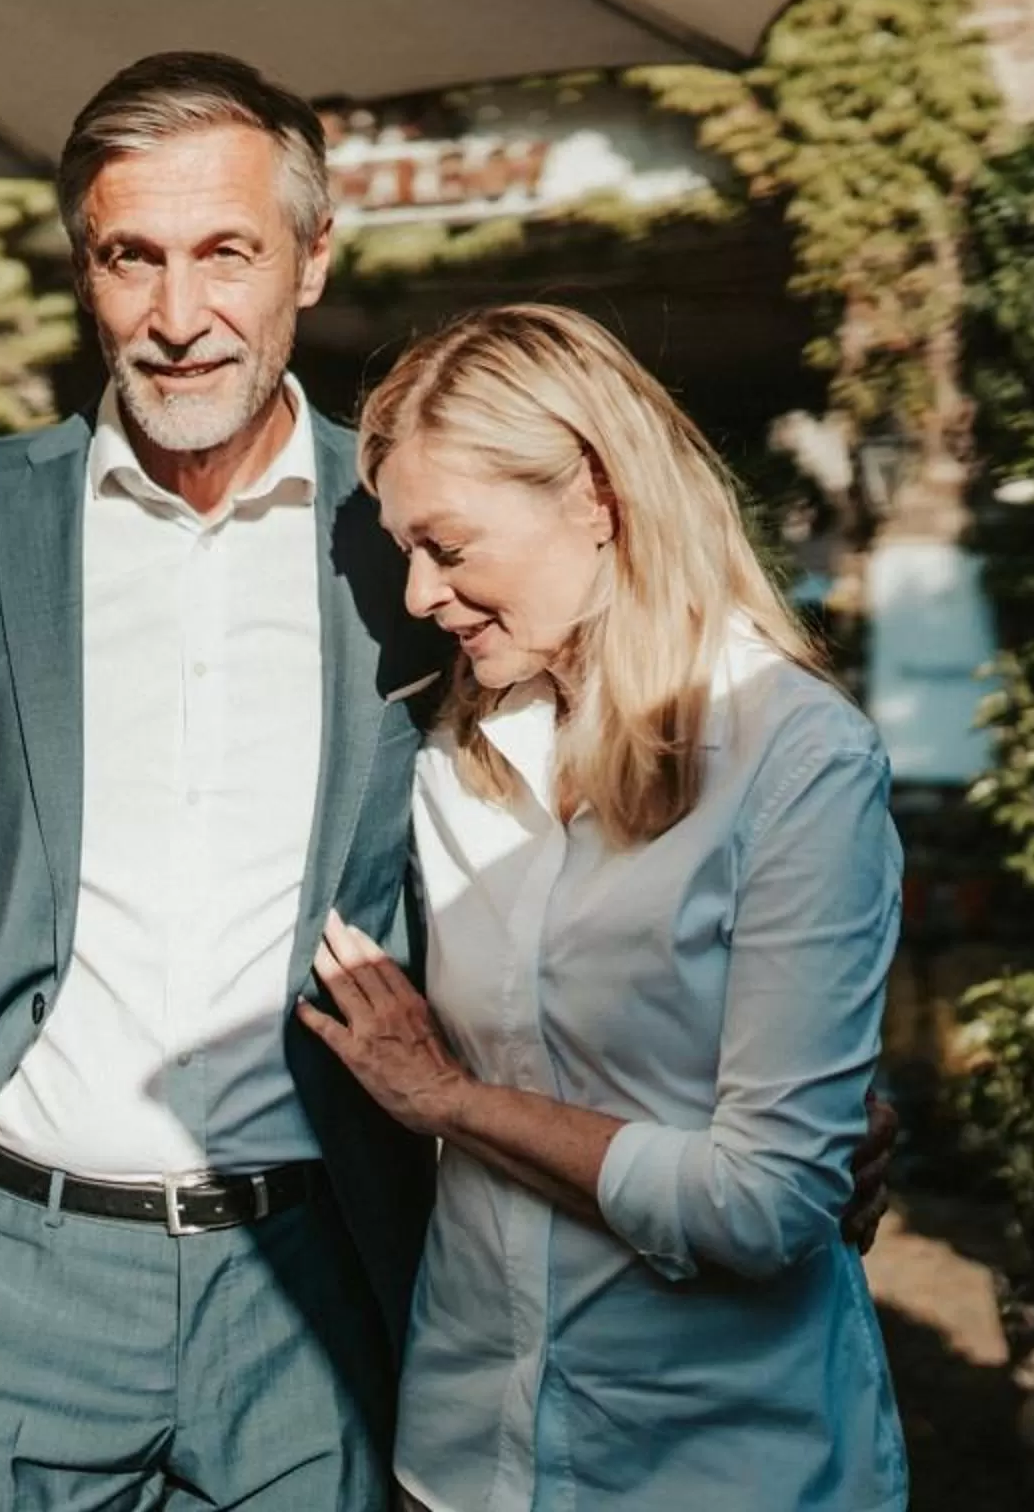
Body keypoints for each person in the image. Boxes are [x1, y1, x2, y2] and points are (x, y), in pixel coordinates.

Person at [0, 53, 890, 1511]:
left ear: (312, 258)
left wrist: (814, 1106)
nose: (178, 316)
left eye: (226, 251)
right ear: (84, 268)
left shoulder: (414, 532)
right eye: (131, 258)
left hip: (322, 1288)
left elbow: (634, 816)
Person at [302, 304, 908, 1511]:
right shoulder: (451, 765)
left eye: (450, 544)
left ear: (596, 496)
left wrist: (452, 1101)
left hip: (721, 1461)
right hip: (466, 1452)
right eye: (402, 548)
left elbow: (771, 1201)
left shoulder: (795, 759)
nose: (419, 592)